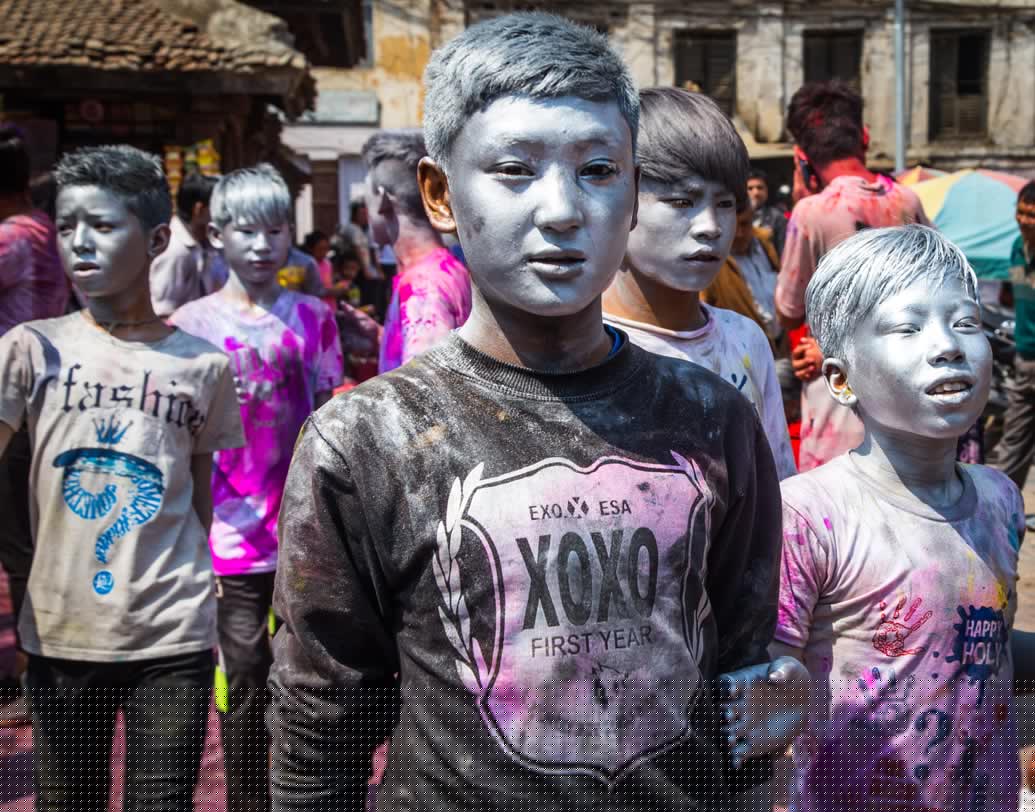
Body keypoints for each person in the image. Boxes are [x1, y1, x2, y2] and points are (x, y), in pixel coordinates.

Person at [268, 13, 806, 811]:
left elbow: (744, 672)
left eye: (598, 170)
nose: (561, 210)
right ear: (440, 194)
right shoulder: (368, 440)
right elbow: (322, 721)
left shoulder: (710, 418)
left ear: (631, 193)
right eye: (514, 170)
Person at [0, 144, 244, 811]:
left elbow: (197, 497)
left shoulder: (203, 367)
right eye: (68, 225)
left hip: (172, 630)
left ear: (157, 239)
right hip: (61, 627)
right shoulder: (30, 350)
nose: (80, 241)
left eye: (103, 225)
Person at [772, 224, 1035, 812]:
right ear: (840, 379)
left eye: (966, 322)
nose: (948, 347)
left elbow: (982, 644)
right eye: (907, 328)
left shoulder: (999, 500)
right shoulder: (810, 514)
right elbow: (772, 676)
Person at [168, 164, 343, 812]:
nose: (263, 245)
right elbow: (178, 439)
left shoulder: (313, 318)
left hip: (304, 533)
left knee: (312, 679)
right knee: (241, 675)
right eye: (247, 231)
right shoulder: (189, 327)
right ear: (217, 234)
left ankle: (309, 791)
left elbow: (326, 417)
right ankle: (248, 797)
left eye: (276, 230)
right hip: (227, 540)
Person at [602, 87, 796, 481]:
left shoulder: (745, 340)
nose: (710, 227)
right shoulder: (588, 353)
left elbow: (777, 484)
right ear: (622, 198)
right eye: (682, 202)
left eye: (725, 204)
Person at [775, 80, 930, 471]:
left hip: (840, 403)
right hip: (907, 393)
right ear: (864, 136)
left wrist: (800, 202)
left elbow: (788, 311)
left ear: (802, 156)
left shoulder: (812, 212)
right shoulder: (907, 200)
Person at [0, 125, 69, 719]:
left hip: (11, 407)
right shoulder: (47, 231)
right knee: (32, 543)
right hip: (46, 401)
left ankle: (33, 679)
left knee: (20, 547)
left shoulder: (10, 240)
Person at [361, 130, 472, 373]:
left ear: (383, 200)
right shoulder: (447, 269)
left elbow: (424, 390)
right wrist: (380, 337)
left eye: (365, 199)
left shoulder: (422, 289)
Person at [989, 181, 1035, 488]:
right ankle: (1001, 504)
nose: (1024, 220)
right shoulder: (1017, 247)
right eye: (1021, 212)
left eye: (1032, 215)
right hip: (1025, 358)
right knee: (1013, 442)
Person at [149, 171, 226, 318]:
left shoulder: (206, 243)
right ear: (199, 209)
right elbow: (163, 313)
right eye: (220, 209)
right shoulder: (175, 250)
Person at [704, 204, 782, 343]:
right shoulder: (711, 261)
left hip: (780, 345)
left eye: (744, 224)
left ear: (752, 218)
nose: (739, 233)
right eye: (732, 226)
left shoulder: (765, 244)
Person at [747, 167, 786, 256]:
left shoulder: (777, 217)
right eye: (750, 188)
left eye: (760, 188)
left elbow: (782, 253)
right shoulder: (736, 217)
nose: (756, 193)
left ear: (767, 191)